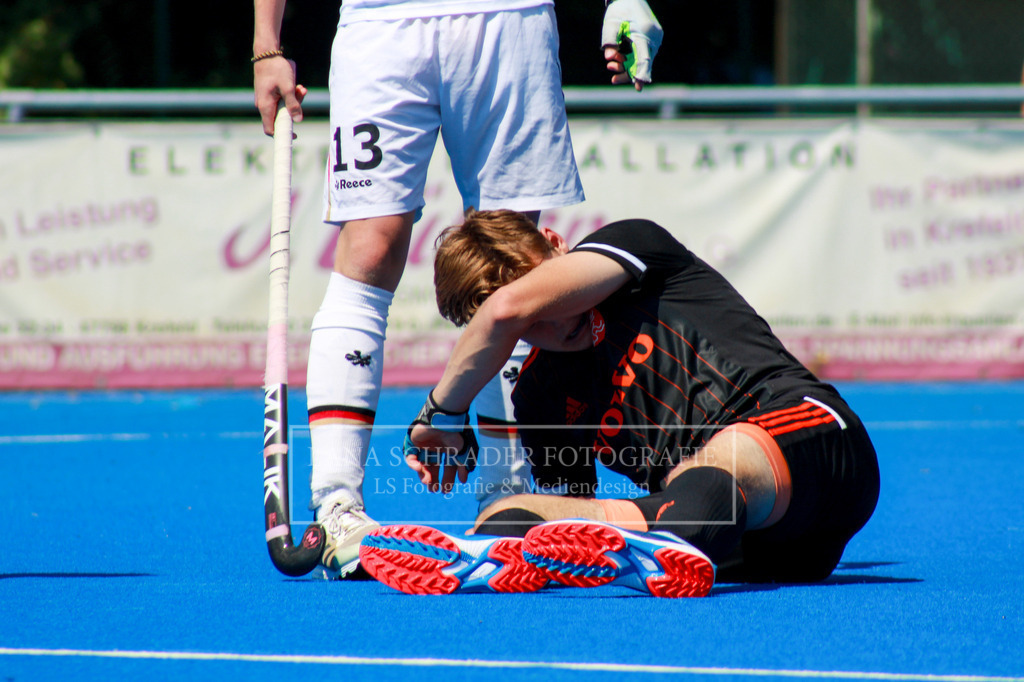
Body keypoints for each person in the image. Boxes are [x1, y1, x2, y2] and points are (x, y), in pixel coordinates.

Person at [252, 0, 665, 578]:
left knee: (517, 264)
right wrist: (267, 44)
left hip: (507, 15)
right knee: (370, 247)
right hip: (381, 22)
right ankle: (339, 507)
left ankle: (509, 500)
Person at [358, 209, 881, 597]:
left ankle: (671, 530)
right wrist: (522, 524)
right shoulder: (539, 397)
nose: (550, 321)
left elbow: (503, 311)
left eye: (544, 295)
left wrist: (443, 413)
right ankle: (493, 551)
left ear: (556, 244)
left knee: (723, 460)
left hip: (815, 442)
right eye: (528, 328)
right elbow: (572, 520)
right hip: (762, 549)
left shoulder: (637, 247)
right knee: (510, 516)